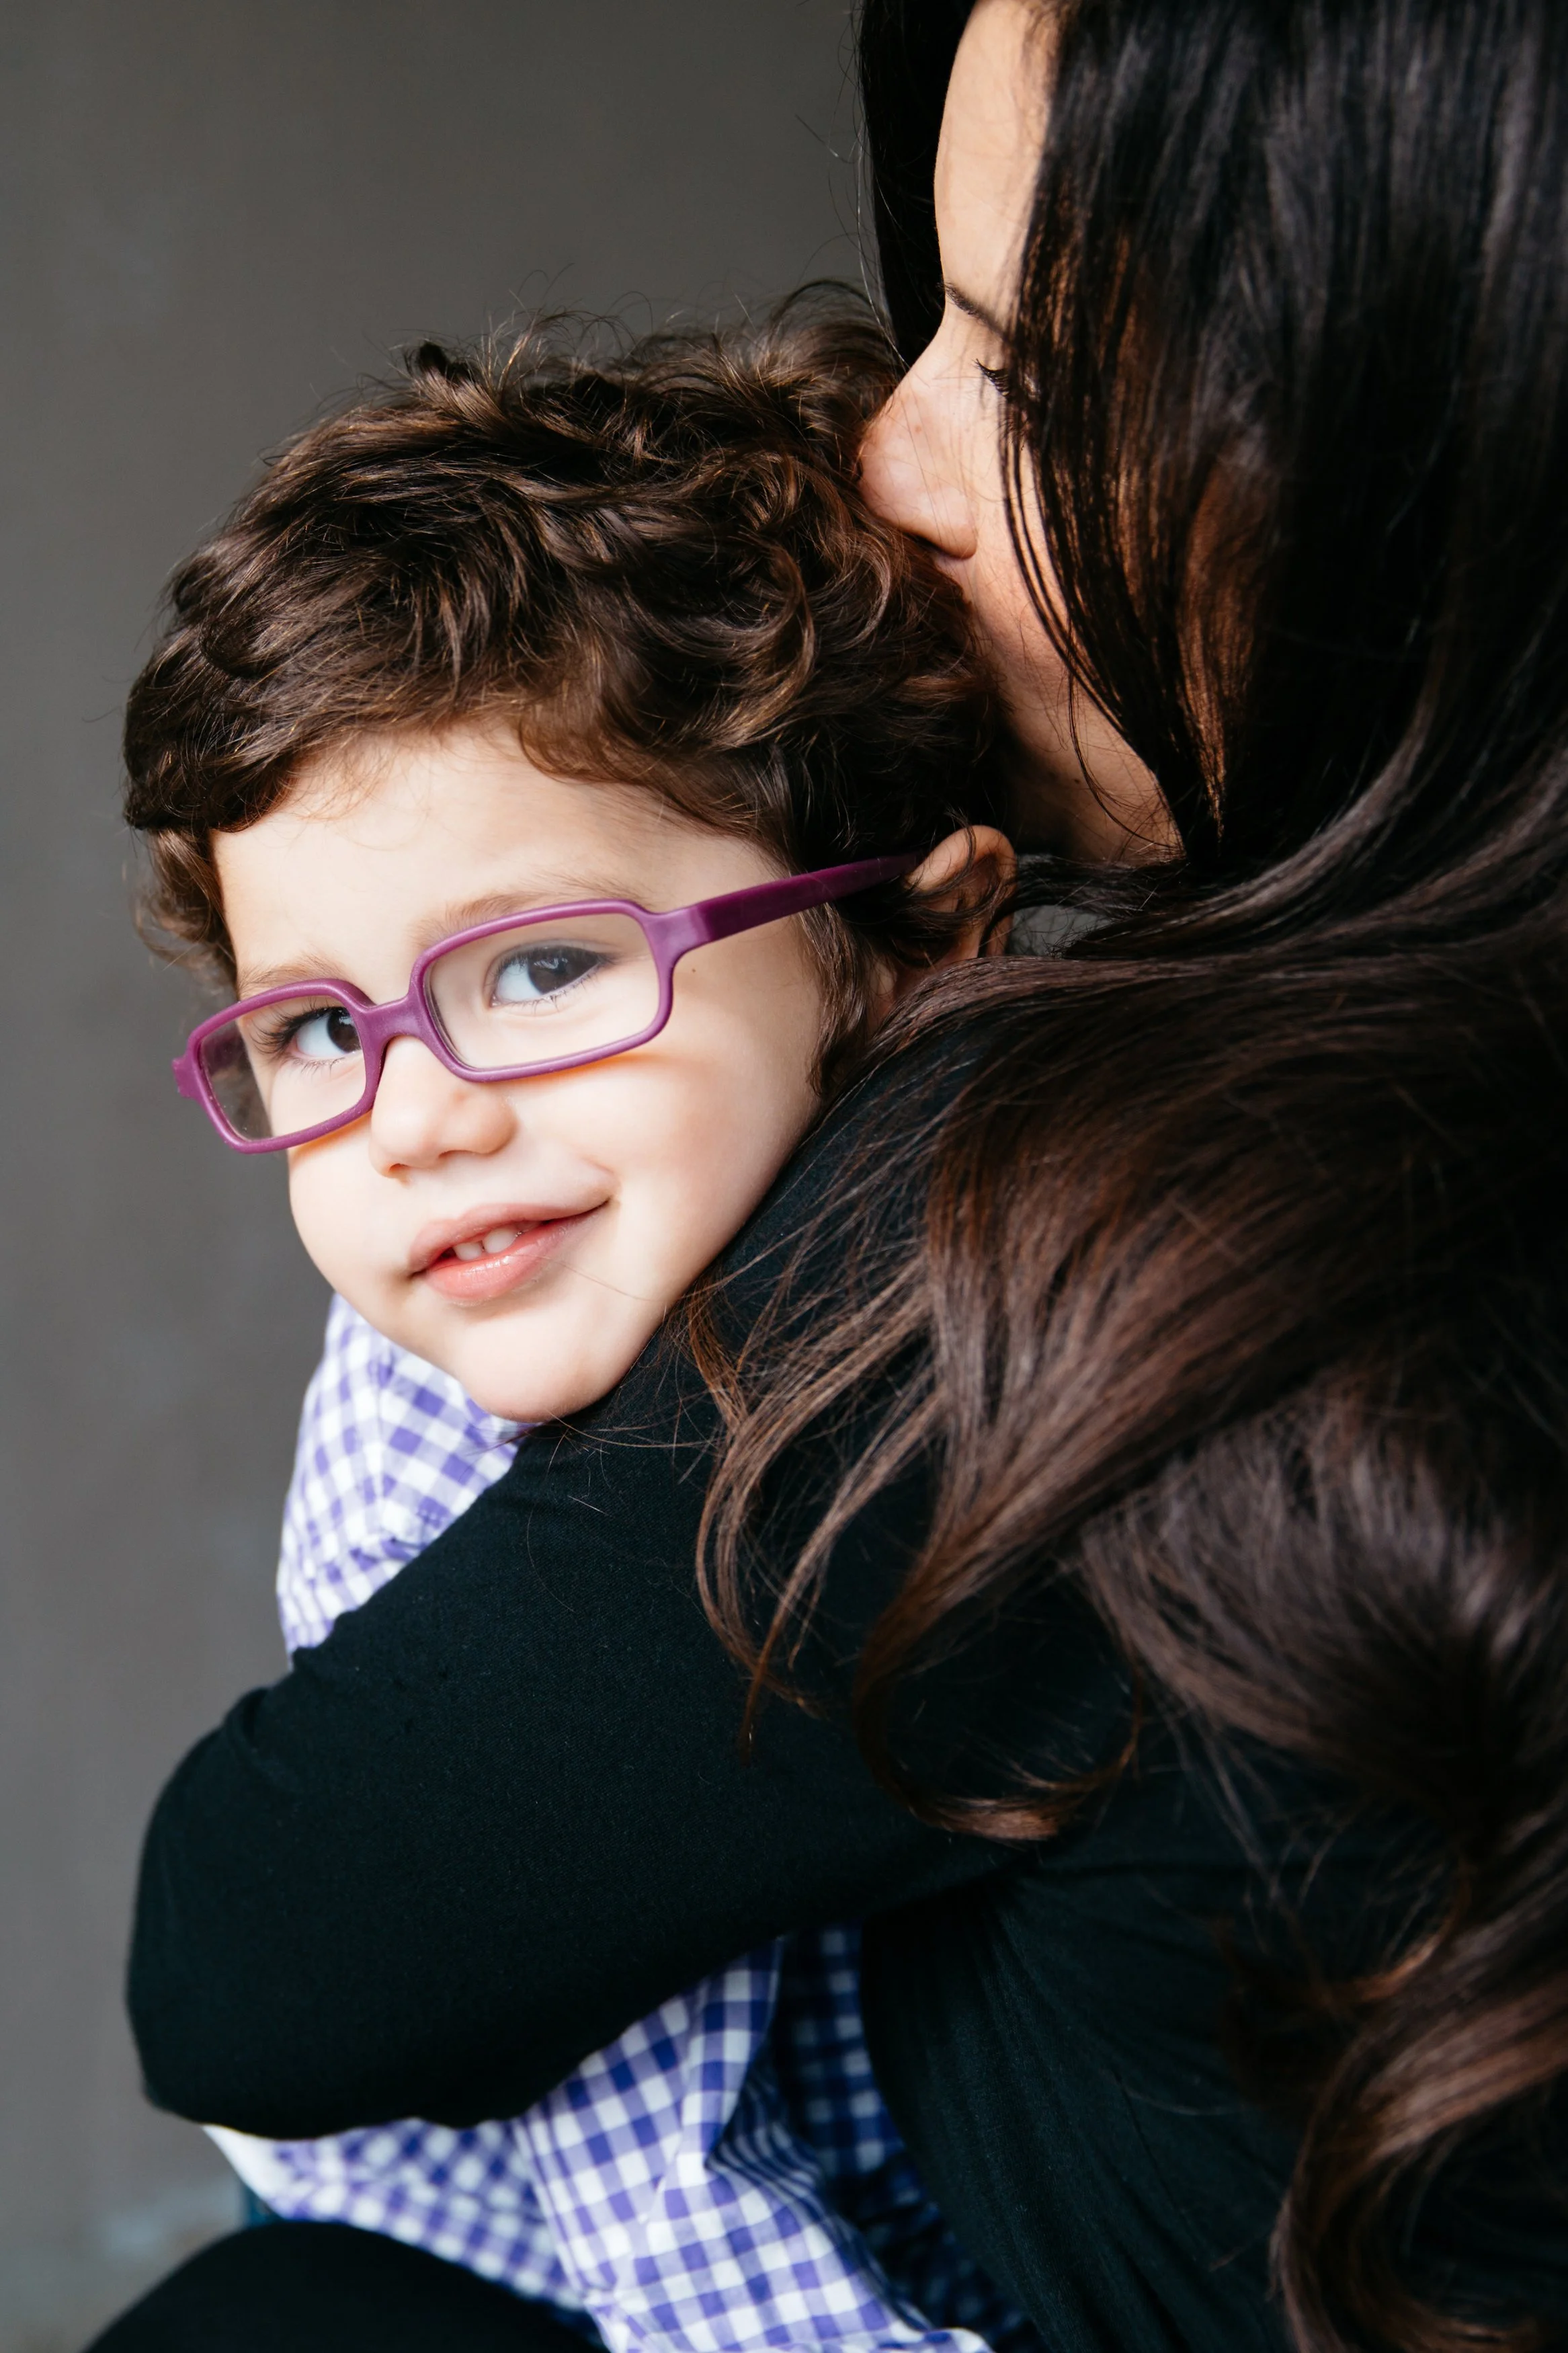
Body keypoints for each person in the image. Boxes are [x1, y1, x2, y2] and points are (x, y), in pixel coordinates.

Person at [99, 1, 1568, 2348]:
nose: (894, 457)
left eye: (1019, 362)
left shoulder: (1086, 1219)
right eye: (310, 1030)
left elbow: (257, 1957)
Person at [109, 317, 1037, 2353]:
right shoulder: (409, 1394)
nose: (419, 1112)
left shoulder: (1008, 1301)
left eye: (540, 964)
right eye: (323, 1029)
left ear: (914, 940)